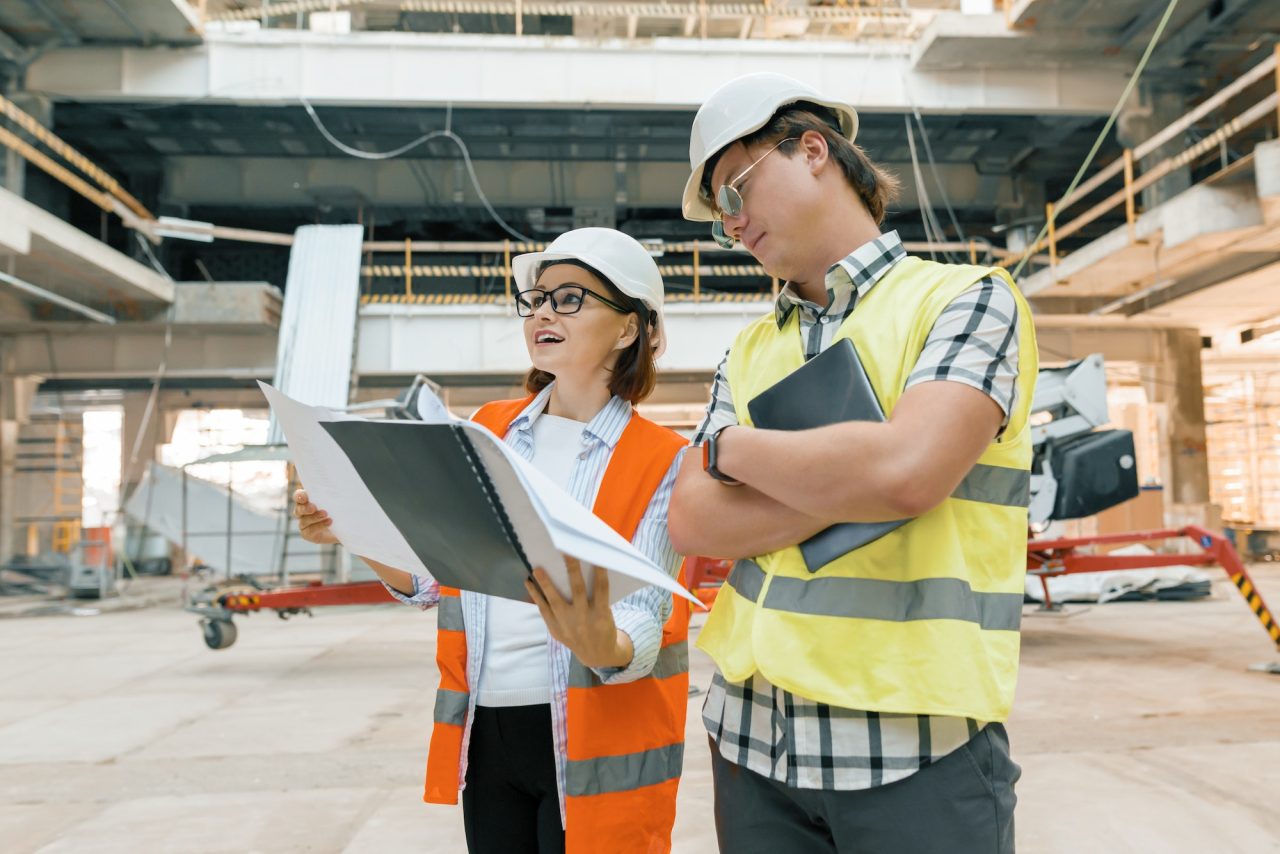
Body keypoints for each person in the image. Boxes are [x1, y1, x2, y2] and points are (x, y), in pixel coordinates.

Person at [667, 72, 1039, 854]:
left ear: (811, 152)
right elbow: (694, 518)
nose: (731, 227)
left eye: (733, 194)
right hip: (751, 740)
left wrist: (732, 449)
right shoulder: (750, 347)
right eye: (719, 218)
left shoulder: (967, 301)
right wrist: (862, 479)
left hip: (914, 749)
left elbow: (908, 472)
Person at [293, 228, 690, 854]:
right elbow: (431, 579)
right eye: (535, 300)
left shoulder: (667, 460)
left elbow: (648, 616)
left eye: (569, 299)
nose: (541, 314)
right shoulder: (487, 430)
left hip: (594, 737)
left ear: (628, 327)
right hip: (489, 731)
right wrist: (351, 526)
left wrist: (603, 642)